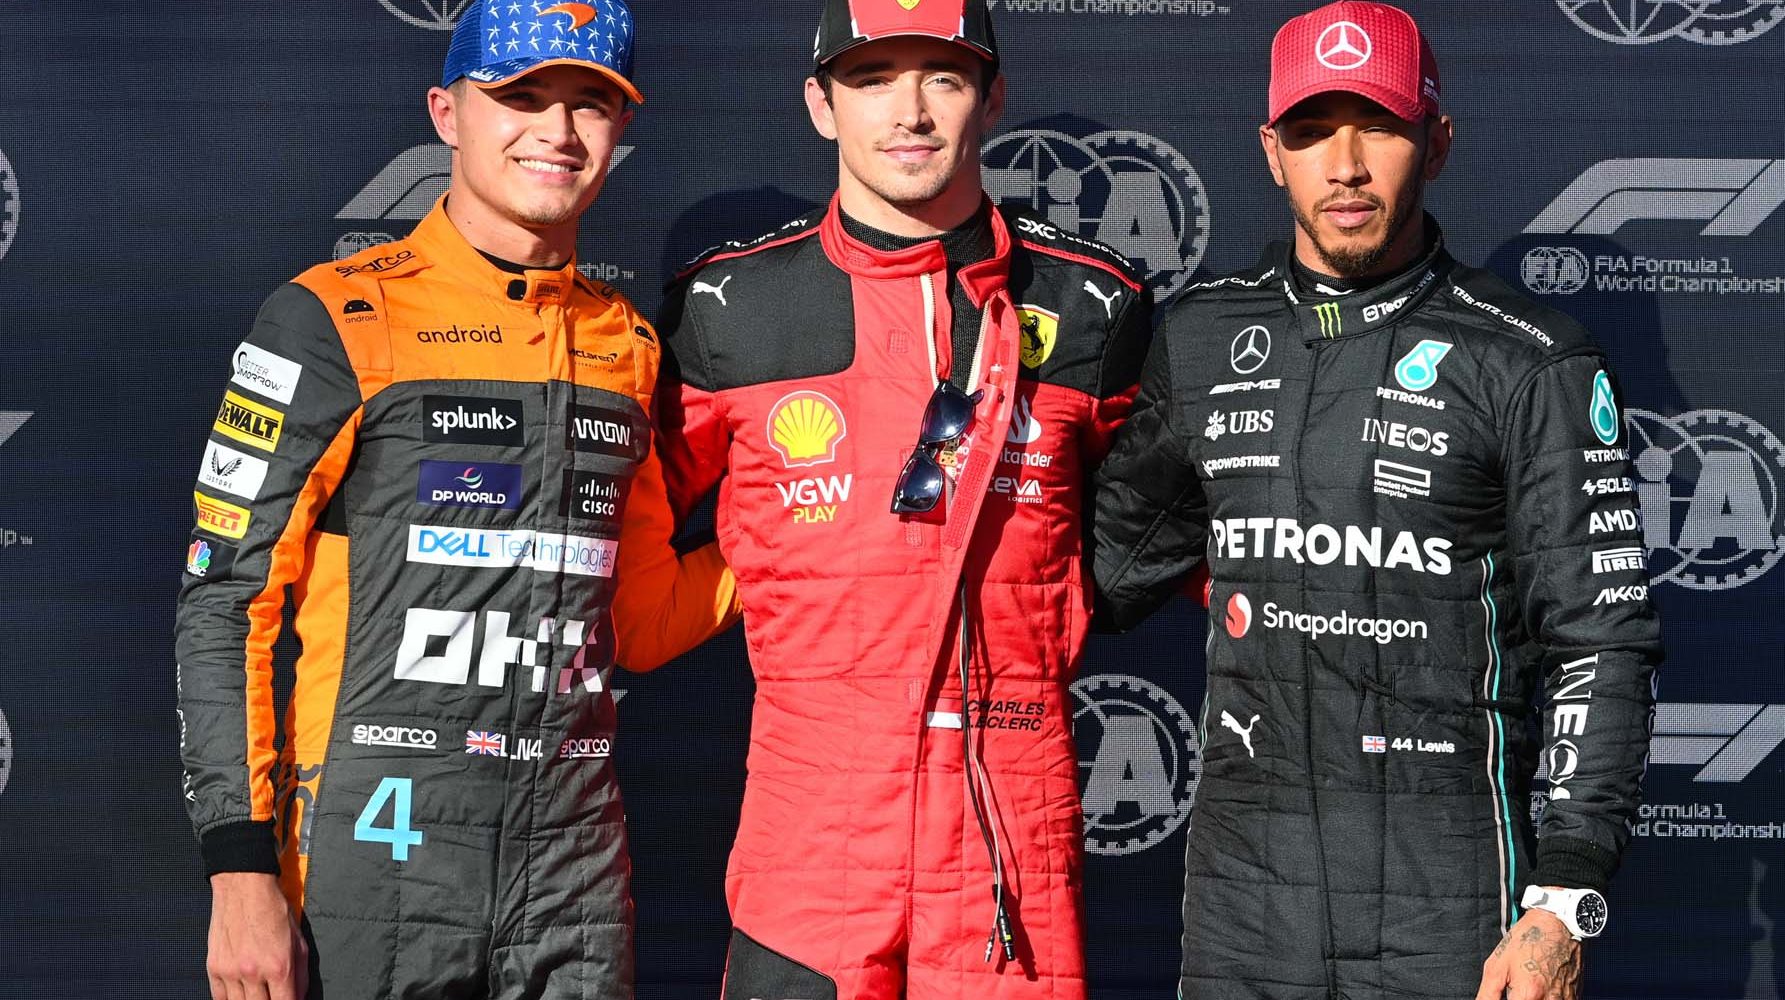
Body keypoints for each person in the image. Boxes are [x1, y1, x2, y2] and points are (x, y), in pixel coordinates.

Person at [1090, 3, 1663, 999]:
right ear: (1272, 152)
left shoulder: (1528, 357)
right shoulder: (1199, 340)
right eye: (1312, 132)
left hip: (1452, 902)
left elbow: (1601, 641)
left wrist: (1564, 900)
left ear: (1436, 142)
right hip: (1242, 909)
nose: (1345, 165)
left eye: (1381, 127)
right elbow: (1098, 574)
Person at [175, 3, 739, 997]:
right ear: (447, 112)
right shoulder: (332, 318)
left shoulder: (631, 346)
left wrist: (787, 543)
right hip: (373, 858)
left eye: (592, 104)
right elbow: (225, 607)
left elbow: (640, 621)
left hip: (575, 875)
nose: (557, 133)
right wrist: (238, 870)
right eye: (522, 97)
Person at [651, 0, 1151, 996]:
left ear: (994, 99)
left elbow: (1166, 533)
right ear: (820, 105)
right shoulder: (730, 308)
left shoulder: (1095, 308)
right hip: (811, 835)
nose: (910, 111)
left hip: (1012, 825)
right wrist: (759, 567)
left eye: (944, 77)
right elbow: (618, 532)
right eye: (873, 78)